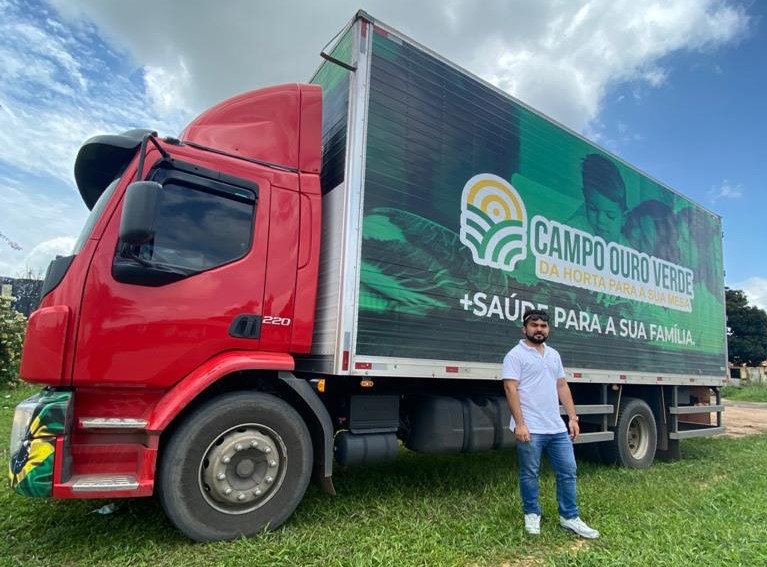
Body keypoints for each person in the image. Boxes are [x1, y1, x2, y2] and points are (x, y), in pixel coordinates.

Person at [502, 309, 599, 538]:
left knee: (568, 471)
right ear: (524, 328)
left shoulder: (553, 355)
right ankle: (532, 515)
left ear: (548, 329)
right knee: (530, 473)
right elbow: (510, 388)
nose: (539, 329)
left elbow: (562, 385)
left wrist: (572, 418)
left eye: (543, 326)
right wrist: (521, 424)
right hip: (531, 427)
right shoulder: (515, 355)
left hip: (556, 428)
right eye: (534, 325)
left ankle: (570, 517)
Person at [568, 153, 628, 245]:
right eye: (593, 209)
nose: (600, 219)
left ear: (624, 218)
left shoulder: (627, 249)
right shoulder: (575, 228)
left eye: (610, 215)